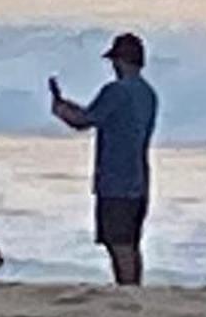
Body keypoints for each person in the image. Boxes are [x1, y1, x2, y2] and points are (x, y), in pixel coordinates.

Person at [50, 31, 158, 286]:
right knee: (131, 242)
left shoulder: (115, 91)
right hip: (139, 178)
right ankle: (133, 287)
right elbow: (96, 115)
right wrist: (71, 108)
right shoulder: (148, 94)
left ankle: (127, 289)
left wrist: (61, 110)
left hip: (115, 178)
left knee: (117, 242)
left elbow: (84, 121)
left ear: (120, 61)